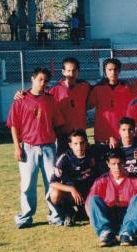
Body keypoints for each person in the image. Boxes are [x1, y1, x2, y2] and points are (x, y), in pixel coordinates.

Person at [7, 67, 64, 228]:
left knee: (51, 183)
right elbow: (13, 125)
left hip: (48, 147)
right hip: (28, 147)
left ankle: (54, 215)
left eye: (46, 81)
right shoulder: (20, 99)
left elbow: (57, 124)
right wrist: (17, 147)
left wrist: (58, 146)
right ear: (32, 78)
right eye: (40, 79)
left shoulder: (51, 100)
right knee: (27, 184)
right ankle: (25, 217)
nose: (42, 83)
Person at [14, 57, 91, 156]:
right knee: (63, 167)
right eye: (68, 71)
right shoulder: (54, 89)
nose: (71, 74)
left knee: (84, 166)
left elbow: (99, 92)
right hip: (63, 135)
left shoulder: (85, 86)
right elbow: (37, 95)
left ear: (78, 72)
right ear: (63, 71)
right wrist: (22, 94)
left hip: (81, 135)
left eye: (74, 71)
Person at [87, 150, 137, 247]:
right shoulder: (101, 181)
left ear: (124, 163)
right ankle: (106, 233)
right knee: (94, 199)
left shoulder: (136, 181)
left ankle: (127, 233)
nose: (117, 167)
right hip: (110, 217)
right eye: (113, 164)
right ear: (108, 164)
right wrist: (93, 218)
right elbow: (89, 204)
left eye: (120, 163)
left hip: (130, 216)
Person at [48, 129, 97, 226]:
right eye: (75, 144)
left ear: (86, 143)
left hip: (88, 193)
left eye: (82, 143)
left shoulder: (92, 154)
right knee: (54, 194)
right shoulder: (64, 159)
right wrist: (71, 189)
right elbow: (53, 182)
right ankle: (69, 212)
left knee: (90, 217)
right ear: (70, 145)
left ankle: (80, 213)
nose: (79, 147)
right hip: (72, 194)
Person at [87, 58, 132, 145]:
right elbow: (87, 105)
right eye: (110, 69)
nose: (113, 72)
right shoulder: (98, 89)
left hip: (122, 134)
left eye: (115, 69)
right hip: (102, 134)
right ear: (105, 71)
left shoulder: (127, 88)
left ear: (119, 71)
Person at [113, 117, 137, 187]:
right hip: (124, 183)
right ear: (119, 131)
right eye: (124, 130)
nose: (127, 133)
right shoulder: (115, 148)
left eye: (130, 129)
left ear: (134, 130)